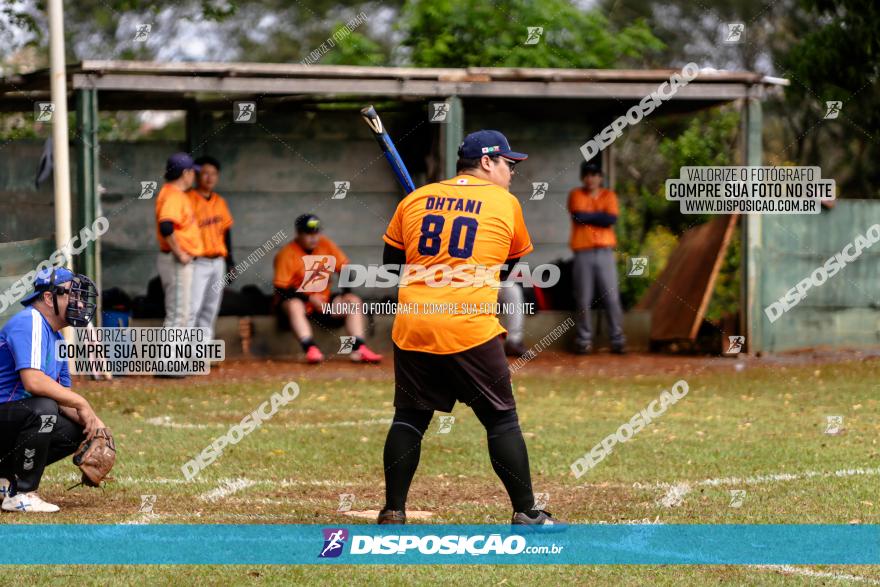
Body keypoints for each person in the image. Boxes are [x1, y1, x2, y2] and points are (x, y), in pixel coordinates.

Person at [378, 129, 562, 526]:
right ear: (485, 162)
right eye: (507, 164)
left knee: (409, 417)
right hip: (469, 326)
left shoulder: (415, 199)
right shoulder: (506, 203)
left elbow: (391, 265)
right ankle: (526, 512)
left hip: (414, 325)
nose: (511, 172)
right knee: (501, 420)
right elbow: (507, 269)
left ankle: (393, 511)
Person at [0, 267, 104, 512]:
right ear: (49, 298)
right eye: (72, 295)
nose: (79, 304)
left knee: (78, 428)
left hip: (10, 419)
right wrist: (82, 402)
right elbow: (33, 382)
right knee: (44, 410)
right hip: (7, 413)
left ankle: (5, 479)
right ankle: (23, 495)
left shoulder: (56, 338)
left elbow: (63, 397)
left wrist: (97, 425)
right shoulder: (31, 322)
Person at [273, 214, 382, 364]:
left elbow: (345, 269)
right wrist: (309, 298)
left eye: (316, 232)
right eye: (308, 233)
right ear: (298, 234)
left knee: (353, 300)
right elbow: (281, 289)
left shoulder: (325, 245)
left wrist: (346, 294)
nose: (313, 237)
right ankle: (310, 349)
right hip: (298, 303)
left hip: (323, 302)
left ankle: (359, 349)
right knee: (294, 305)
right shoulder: (286, 254)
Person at [568, 160, 626, 355]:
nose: (590, 178)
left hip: (605, 252)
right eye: (587, 175)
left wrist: (591, 216)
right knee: (583, 298)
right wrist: (598, 216)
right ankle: (584, 340)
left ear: (601, 177)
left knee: (611, 297)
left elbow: (611, 219)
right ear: (582, 177)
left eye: (594, 175)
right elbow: (579, 216)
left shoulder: (609, 195)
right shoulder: (576, 194)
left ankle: (617, 340)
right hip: (583, 252)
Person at [187, 156, 234, 339]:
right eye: (205, 173)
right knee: (192, 308)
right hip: (197, 262)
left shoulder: (220, 201)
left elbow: (226, 232)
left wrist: (230, 261)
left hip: (218, 262)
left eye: (213, 174)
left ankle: (200, 353)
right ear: (197, 175)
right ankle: (182, 356)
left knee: (210, 309)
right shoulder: (187, 199)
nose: (209, 178)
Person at [156, 152, 203, 328]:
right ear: (185, 173)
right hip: (175, 260)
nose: (194, 176)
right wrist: (180, 253)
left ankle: (176, 356)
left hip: (176, 260)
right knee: (178, 316)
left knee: (181, 317)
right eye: (193, 172)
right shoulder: (172, 194)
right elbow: (166, 226)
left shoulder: (174, 193)